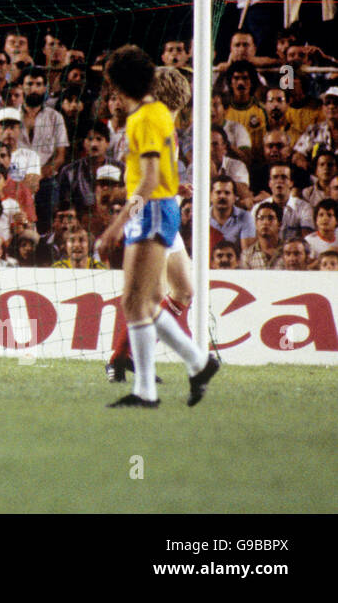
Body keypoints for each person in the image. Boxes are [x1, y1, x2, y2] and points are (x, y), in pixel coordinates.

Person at [97, 46, 218, 408]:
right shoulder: (156, 115)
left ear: (118, 84)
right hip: (158, 208)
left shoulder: (146, 118)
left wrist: (118, 223)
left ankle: (152, 388)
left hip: (150, 210)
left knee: (137, 302)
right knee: (143, 302)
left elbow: (148, 179)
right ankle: (195, 364)